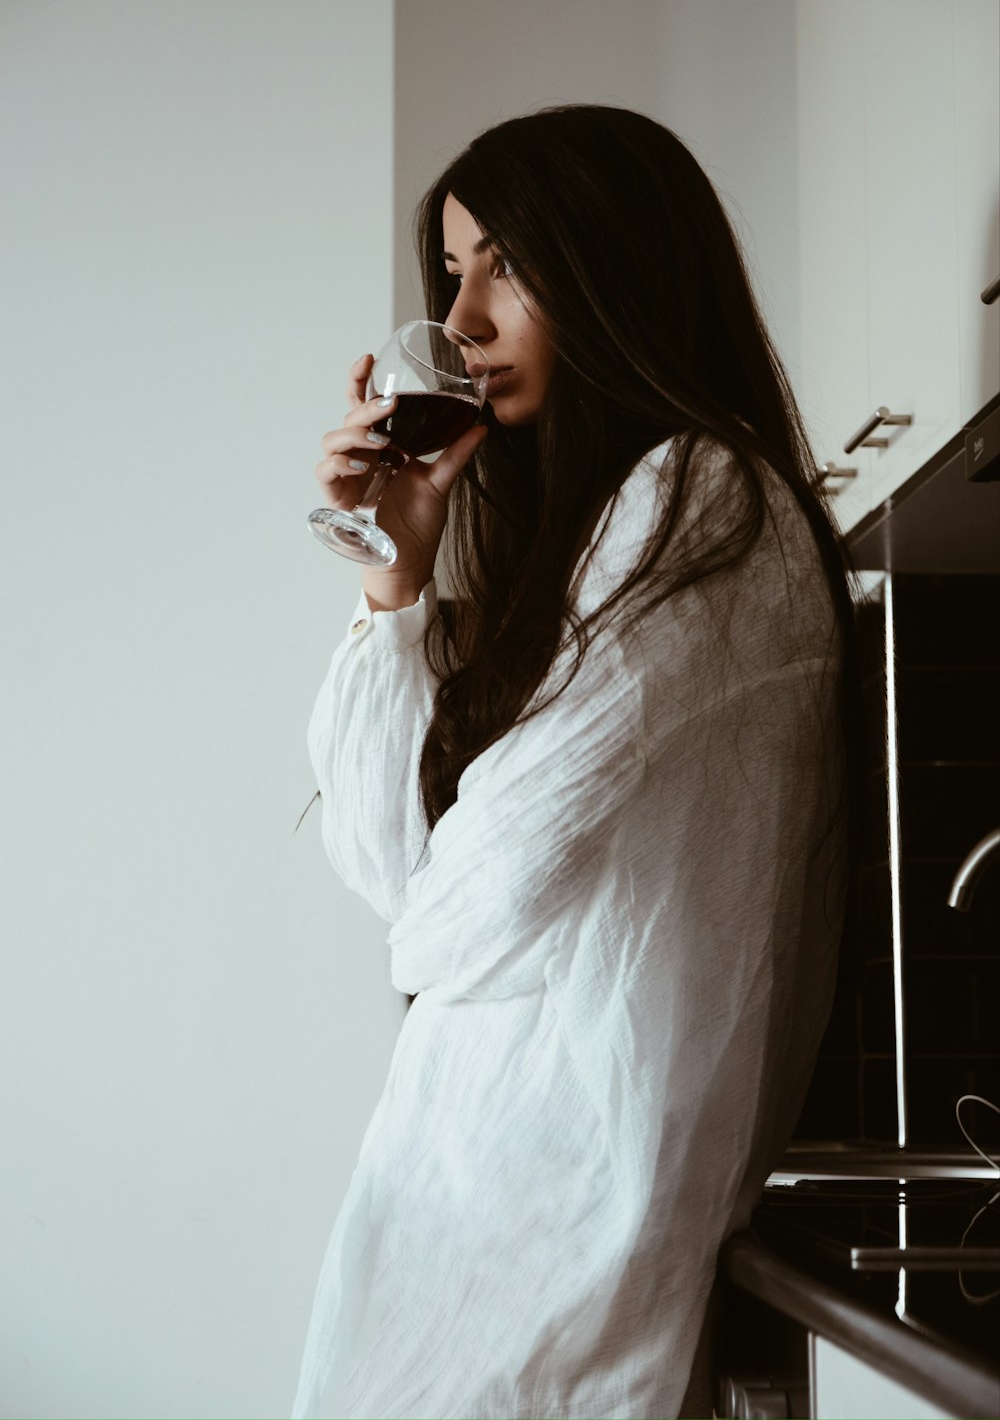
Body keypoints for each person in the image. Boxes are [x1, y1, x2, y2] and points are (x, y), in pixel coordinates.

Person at [291, 104, 861, 1420]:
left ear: (618, 266)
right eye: (452, 273)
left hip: (539, 1303)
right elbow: (394, 875)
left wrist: (434, 921)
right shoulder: (610, 535)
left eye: (510, 261)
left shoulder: (704, 502)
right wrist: (397, 571)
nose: (468, 315)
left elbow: (441, 924)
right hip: (458, 1273)